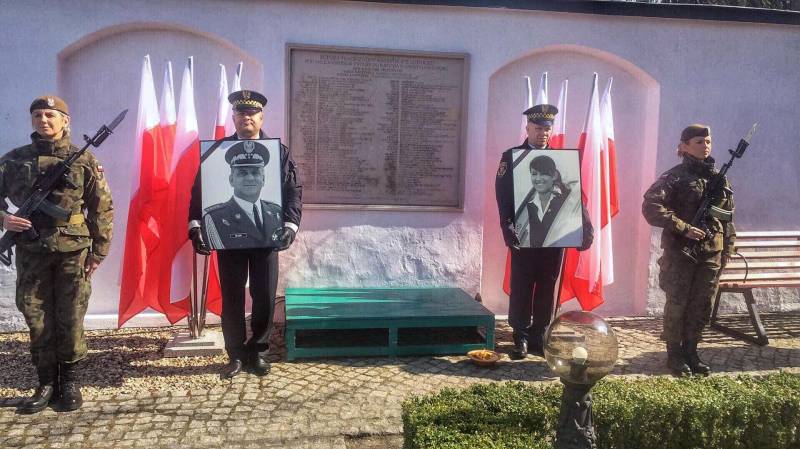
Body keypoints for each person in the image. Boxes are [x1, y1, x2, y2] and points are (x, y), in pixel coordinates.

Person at [0, 95, 113, 413]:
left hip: (73, 252)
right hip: (31, 251)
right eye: (37, 115)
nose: (43, 120)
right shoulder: (14, 160)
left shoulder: (84, 160)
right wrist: (4, 219)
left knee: (71, 316)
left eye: (50, 115)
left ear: (66, 120)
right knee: (36, 316)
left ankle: (70, 381)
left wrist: (99, 251)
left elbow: (102, 207)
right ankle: (46, 382)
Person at [189, 90, 302, 379]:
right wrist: (196, 226)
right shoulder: (217, 153)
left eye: (252, 113)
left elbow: (292, 190)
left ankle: (259, 351)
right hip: (228, 238)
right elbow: (200, 190)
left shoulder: (279, 153)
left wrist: (290, 225)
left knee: (264, 295)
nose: (246, 118)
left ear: (261, 117)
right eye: (241, 113)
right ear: (234, 117)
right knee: (232, 298)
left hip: (267, 235)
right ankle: (236, 354)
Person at [495, 104, 593, 360]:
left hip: (554, 235)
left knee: (547, 286)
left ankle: (539, 334)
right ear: (528, 128)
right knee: (522, 284)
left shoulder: (561, 161)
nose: (543, 133)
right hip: (524, 233)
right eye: (538, 128)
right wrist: (507, 228)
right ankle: (520, 336)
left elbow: (574, 196)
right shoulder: (512, 157)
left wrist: (585, 226)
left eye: (547, 129)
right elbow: (503, 196)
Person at [642, 124, 735, 376]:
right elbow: (651, 207)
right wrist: (683, 228)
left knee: (702, 304)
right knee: (678, 303)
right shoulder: (674, 177)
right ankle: (674, 354)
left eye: (708, 141)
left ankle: (692, 351)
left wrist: (727, 249)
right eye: (699, 142)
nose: (705, 146)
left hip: (711, 252)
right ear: (684, 146)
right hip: (681, 252)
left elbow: (727, 217)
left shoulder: (719, 178)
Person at [203, 140, 284, 249]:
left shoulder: (276, 212)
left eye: (255, 172)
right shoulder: (214, 219)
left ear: (263, 179)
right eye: (242, 173)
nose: (250, 178)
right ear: (231, 180)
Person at [515, 155, 584, 248]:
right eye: (534, 174)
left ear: (554, 175)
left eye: (543, 174)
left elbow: (584, 239)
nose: (538, 178)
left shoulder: (568, 201)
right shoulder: (530, 206)